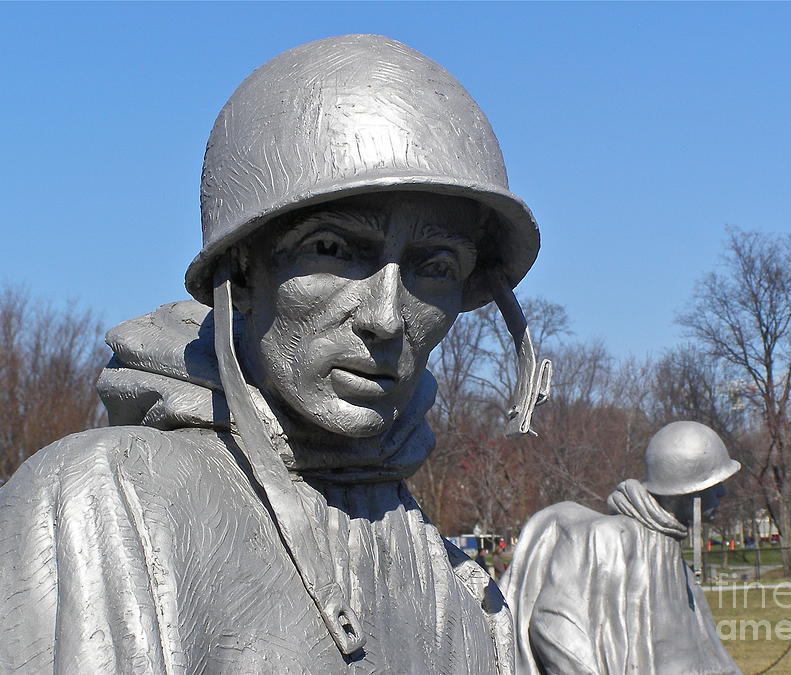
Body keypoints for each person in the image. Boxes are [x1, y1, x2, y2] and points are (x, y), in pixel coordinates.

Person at [0, 35, 551, 674]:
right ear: (242, 269)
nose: (386, 317)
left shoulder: (463, 600)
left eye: (435, 266)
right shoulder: (103, 504)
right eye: (333, 250)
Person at [499, 421, 742, 675]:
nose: (723, 492)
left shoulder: (680, 568)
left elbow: (710, 657)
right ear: (690, 491)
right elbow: (553, 624)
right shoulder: (607, 538)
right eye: (715, 484)